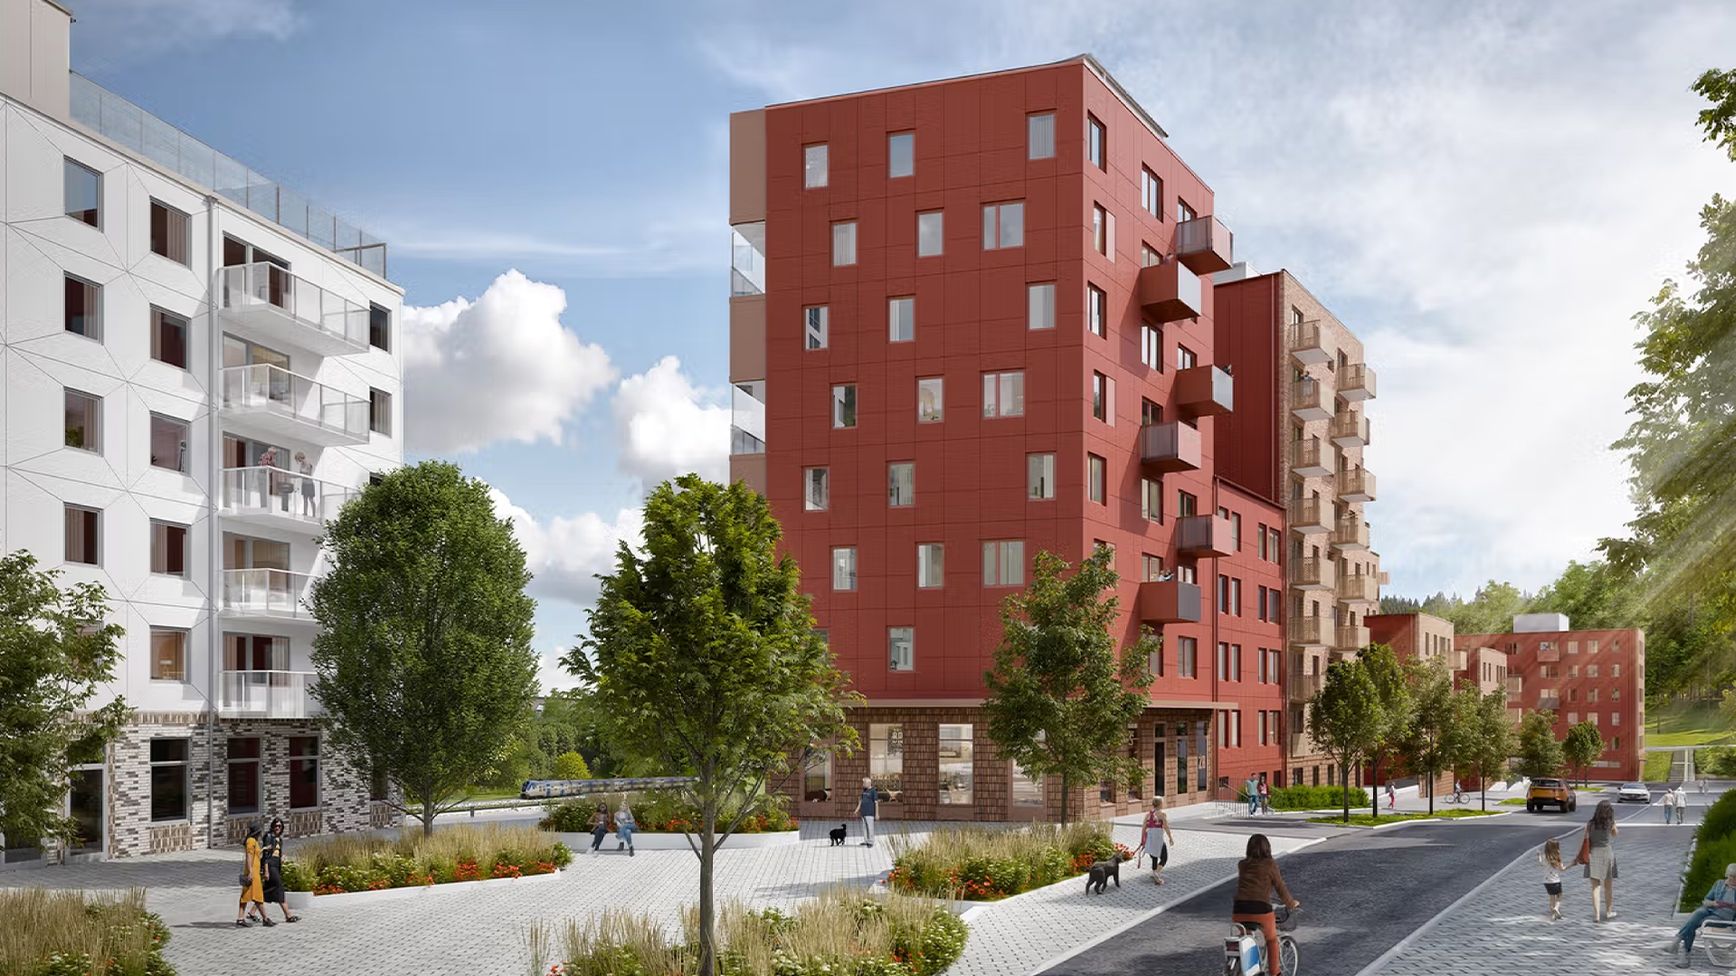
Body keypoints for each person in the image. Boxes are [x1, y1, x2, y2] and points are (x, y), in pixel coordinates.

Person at [1232, 834, 1300, 976]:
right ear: (1267, 848)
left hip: (1239, 909)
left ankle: (1246, 966)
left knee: (1246, 937)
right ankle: (1275, 973)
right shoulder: (1270, 864)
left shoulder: (1242, 865)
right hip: (1260, 909)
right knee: (1271, 939)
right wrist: (1291, 903)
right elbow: (1280, 887)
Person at [1666, 862, 1736, 967]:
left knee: (1692, 922)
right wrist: (1714, 903)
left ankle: (1681, 948)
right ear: (1727, 875)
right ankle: (1682, 949)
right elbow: (1706, 901)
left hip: (1722, 918)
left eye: (1735, 878)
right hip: (1710, 910)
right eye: (1731, 877)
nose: (1733, 880)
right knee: (1698, 914)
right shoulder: (1719, 884)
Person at [1583, 799, 1620, 922]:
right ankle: (1609, 912)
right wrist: (1614, 823)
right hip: (1607, 853)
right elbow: (1615, 834)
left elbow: (1586, 838)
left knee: (1595, 887)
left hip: (1593, 854)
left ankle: (1597, 915)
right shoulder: (1610, 823)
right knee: (1608, 886)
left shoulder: (1589, 824)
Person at [259, 818, 299, 923]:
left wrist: (281, 859)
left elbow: (278, 852)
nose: (277, 828)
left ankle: (252, 912)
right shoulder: (268, 837)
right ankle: (288, 915)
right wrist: (266, 870)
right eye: (276, 826)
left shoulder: (279, 839)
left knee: (267, 890)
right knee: (279, 888)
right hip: (270, 865)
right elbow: (266, 855)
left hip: (276, 865)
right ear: (272, 826)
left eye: (280, 826)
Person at [234, 821, 272, 927]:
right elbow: (249, 857)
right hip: (252, 872)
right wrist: (250, 872)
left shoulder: (253, 841)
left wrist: (264, 849)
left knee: (246, 895)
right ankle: (265, 919)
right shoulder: (251, 841)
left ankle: (240, 918)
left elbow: (256, 854)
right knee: (257, 895)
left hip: (253, 871)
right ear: (257, 832)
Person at [1138, 797, 1177, 885]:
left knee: (1154, 857)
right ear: (1160, 804)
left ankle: (1154, 872)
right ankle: (1156, 873)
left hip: (1150, 838)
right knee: (1164, 857)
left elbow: (1144, 828)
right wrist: (1170, 837)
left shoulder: (1148, 814)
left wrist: (1142, 840)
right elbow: (1166, 826)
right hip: (1158, 837)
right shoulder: (1162, 814)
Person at [1539, 838, 1565, 921]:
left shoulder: (1544, 857)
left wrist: (1539, 855)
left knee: (1551, 898)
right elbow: (1562, 869)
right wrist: (1572, 864)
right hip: (1556, 881)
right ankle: (1556, 908)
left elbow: (1541, 863)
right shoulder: (1557, 857)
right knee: (1560, 895)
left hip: (1546, 882)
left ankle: (1554, 915)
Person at [853, 777, 878, 847]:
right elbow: (861, 801)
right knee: (865, 827)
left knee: (870, 827)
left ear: (868, 783)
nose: (863, 784)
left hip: (870, 812)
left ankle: (871, 842)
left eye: (864, 783)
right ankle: (866, 840)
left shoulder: (873, 791)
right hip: (863, 812)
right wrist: (857, 810)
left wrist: (877, 814)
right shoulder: (864, 791)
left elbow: (876, 803)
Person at [295, 452, 316, 517]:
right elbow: (300, 474)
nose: (298, 461)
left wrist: (302, 474)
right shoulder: (302, 465)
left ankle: (314, 514)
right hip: (304, 483)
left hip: (309, 484)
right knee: (305, 499)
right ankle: (305, 513)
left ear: (301, 458)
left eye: (298, 459)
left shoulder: (308, 464)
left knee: (311, 499)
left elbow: (308, 474)